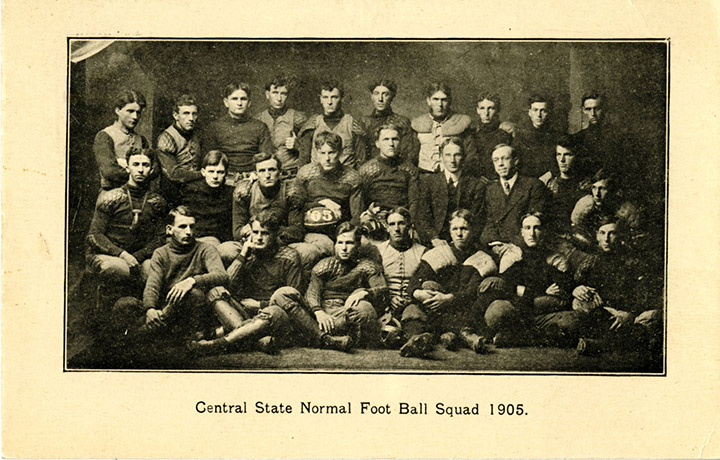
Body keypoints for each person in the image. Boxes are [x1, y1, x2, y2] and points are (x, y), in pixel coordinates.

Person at [189, 211, 352, 353]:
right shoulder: (247, 254)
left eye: (265, 233)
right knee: (215, 291)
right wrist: (243, 255)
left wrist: (260, 305)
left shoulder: (289, 257)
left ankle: (218, 344)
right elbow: (227, 284)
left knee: (277, 302)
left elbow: (293, 296)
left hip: (276, 314)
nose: (259, 238)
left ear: (274, 235)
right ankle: (256, 340)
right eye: (256, 232)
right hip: (245, 314)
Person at [111, 206, 229, 341]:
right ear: (169, 229)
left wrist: (192, 281)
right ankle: (143, 335)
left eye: (192, 226)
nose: (189, 232)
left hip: (188, 309)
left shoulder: (206, 249)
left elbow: (222, 275)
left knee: (194, 294)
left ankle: (139, 337)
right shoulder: (161, 253)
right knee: (124, 303)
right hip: (165, 307)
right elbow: (152, 285)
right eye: (182, 227)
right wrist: (150, 309)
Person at [400, 209, 497, 358]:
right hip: (435, 308)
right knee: (415, 306)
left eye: (464, 229)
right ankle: (416, 340)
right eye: (455, 229)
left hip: (463, 310)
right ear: (450, 231)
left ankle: (454, 335)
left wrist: (449, 299)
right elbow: (414, 283)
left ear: (473, 231)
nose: (459, 234)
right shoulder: (438, 253)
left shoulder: (482, 258)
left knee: (484, 296)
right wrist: (419, 293)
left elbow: (472, 292)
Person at [86, 149, 167, 309]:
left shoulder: (157, 202)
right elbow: (94, 235)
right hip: (110, 254)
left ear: (151, 170)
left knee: (154, 270)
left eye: (145, 165)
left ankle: (144, 315)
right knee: (118, 268)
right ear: (128, 167)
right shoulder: (111, 198)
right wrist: (122, 255)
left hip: (140, 256)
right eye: (136, 164)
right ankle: (104, 317)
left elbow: (161, 237)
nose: (141, 169)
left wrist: (138, 256)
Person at [481, 213, 578, 347]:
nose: (532, 233)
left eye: (536, 228)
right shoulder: (514, 257)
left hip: (544, 316)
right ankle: (537, 337)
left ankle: (516, 337)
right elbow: (506, 285)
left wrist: (523, 292)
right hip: (520, 313)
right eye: (527, 228)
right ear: (522, 232)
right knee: (496, 311)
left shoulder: (556, 259)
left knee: (572, 321)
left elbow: (562, 290)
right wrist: (541, 291)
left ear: (543, 231)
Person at [571, 217, 662, 354]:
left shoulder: (634, 260)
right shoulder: (592, 259)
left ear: (620, 236)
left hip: (632, 312)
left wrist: (629, 314)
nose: (606, 239)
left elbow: (646, 293)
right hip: (607, 310)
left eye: (612, 233)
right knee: (578, 303)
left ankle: (602, 345)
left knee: (653, 317)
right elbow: (576, 280)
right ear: (597, 236)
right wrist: (576, 288)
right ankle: (624, 340)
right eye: (602, 233)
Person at [289, 132, 364, 269]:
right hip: (309, 232)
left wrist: (344, 238)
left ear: (340, 152)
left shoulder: (352, 178)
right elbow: (295, 207)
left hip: (339, 234)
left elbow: (356, 217)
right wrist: (322, 202)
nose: (327, 158)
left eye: (331, 152)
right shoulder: (306, 174)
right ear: (316, 153)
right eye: (322, 153)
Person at [306, 222, 387, 347]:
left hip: (348, 312)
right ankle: (330, 337)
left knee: (365, 309)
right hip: (324, 313)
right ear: (335, 244)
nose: (344, 248)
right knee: (284, 293)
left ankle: (327, 336)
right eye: (340, 243)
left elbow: (383, 291)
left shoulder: (367, 266)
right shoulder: (324, 265)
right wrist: (319, 312)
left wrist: (364, 293)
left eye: (349, 243)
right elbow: (312, 293)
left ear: (358, 244)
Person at [415, 137, 485, 246]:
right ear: (441, 157)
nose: (452, 160)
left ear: (464, 157)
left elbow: (478, 221)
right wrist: (434, 238)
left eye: (457, 155)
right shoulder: (429, 183)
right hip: (435, 243)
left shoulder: (476, 185)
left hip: (465, 242)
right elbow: (422, 217)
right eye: (448, 155)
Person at [480, 144, 548, 256]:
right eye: (496, 160)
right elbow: (489, 223)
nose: (500, 164)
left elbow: (534, 224)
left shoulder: (533, 185)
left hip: (524, 248)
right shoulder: (491, 189)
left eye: (505, 158)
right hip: (497, 248)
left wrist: (511, 246)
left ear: (515, 161)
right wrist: (496, 245)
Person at [372, 208, 427, 341]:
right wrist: (389, 299)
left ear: (410, 226)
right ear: (387, 227)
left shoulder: (422, 251)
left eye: (401, 223)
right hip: (384, 304)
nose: (396, 229)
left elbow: (423, 282)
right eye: (392, 224)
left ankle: (413, 340)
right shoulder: (378, 251)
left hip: (412, 304)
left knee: (414, 316)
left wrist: (411, 298)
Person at [203, 82, 273, 185]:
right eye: (234, 99)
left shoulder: (260, 127)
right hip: (224, 180)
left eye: (243, 99)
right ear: (226, 102)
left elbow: (265, 157)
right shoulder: (214, 127)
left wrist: (256, 174)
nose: (239, 103)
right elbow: (209, 160)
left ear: (249, 103)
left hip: (252, 179)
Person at [357, 123, 420, 235]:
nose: (391, 144)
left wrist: (411, 223)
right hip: (375, 220)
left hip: (401, 221)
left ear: (400, 142)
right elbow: (360, 203)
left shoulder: (409, 169)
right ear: (377, 144)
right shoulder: (366, 170)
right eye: (386, 139)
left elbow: (414, 201)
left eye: (395, 139)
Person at [232, 152, 304, 245]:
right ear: (256, 174)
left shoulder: (291, 192)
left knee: (305, 250)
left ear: (280, 172)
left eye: (272, 170)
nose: (267, 175)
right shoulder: (245, 191)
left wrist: (266, 230)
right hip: (253, 242)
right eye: (262, 171)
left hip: (282, 243)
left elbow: (297, 231)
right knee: (228, 250)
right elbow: (237, 232)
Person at [180, 150, 237, 263]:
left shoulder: (231, 193)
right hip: (198, 240)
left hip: (223, 242)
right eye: (211, 171)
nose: (215, 176)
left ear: (226, 173)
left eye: (220, 172)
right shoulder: (191, 191)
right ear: (203, 172)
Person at [410, 82, 477, 174]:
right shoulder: (418, 124)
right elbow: (411, 155)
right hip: (424, 176)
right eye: (435, 99)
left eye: (444, 100)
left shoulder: (461, 122)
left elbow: (470, 155)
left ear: (449, 101)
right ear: (428, 101)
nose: (440, 104)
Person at [298, 81, 367, 168]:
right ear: (321, 99)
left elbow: (361, 160)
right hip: (317, 178)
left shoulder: (351, 124)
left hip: (346, 177)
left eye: (334, 97)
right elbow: (303, 160)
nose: (329, 102)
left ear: (342, 98)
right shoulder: (313, 124)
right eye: (325, 97)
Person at [93, 89, 151, 192]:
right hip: (112, 193)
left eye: (138, 112)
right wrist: (138, 174)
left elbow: (154, 168)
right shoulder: (105, 136)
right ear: (118, 110)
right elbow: (109, 171)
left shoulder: (141, 140)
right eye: (130, 111)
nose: (135, 117)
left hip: (138, 194)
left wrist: (123, 164)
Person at [570, 169, 640, 250]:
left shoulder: (626, 210)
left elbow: (636, 236)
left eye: (602, 188)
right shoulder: (585, 205)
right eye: (594, 188)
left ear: (611, 190)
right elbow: (575, 229)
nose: (597, 194)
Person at [254, 76, 308, 178]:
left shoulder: (298, 118)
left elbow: (311, 151)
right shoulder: (258, 119)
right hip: (266, 174)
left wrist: (297, 145)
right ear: (267, 94)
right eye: (275, 93)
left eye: (283, 93)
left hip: (291, 174)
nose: (279, 98)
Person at [572, 92, 632, 180]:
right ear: (583, 110)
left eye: (597, 109)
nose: (593, 113)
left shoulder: (618, 136)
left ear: (604, 109)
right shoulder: (578, 138)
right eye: (588, 109)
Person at [361, 79, 417, 161]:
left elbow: (409, 154)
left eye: (385, 94)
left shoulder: (402, 122)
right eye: (376, 94)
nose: (380, 99)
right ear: (371, 96)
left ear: (392, 96)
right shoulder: (364, 122)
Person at [156, 93, 203, 188]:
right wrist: (202, 174)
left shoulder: (197, 134)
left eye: (194, 114)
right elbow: (174, 174)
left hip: (195, 186)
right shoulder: (166, 138)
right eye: (186, 113)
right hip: (175, 189)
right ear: (176, 115)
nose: (191, 118)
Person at [545, 135, 589, 232]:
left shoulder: (585, 186)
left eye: (567, 155)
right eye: (558, 154)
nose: (562, 160)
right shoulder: (549, 183)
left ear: (576, 156)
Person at [513, 94, 561, 182]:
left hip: (550, 180)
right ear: (529, 112)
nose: (539, 115)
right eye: (535, 110)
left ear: (549, 112)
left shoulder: (557, 136)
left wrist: (551, 173)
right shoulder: (520, 136)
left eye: (543, 111)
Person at [471, 90, 514, 182]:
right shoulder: (471, 135)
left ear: (497, 110)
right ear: (477, 110)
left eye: (490, 108)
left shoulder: (505, 135)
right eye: (482, 108)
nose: (486, 113)